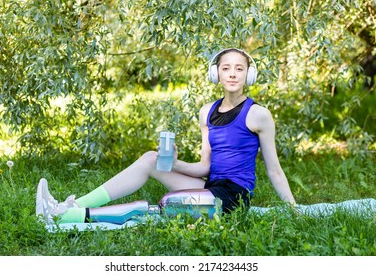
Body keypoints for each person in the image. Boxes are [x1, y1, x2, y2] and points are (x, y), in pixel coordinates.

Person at [36, 48, 296, 225]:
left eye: (239, 69)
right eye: (226, 68)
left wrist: (293, 210)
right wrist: (172, 163)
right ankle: (68, 206)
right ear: (215, 73)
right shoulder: (207, 112)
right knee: (150, 158)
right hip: (211, 187)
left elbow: (274, 170)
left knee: (167, 205)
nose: (232, 73)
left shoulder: (259, 115)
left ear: (249, 74)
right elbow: (206, 167)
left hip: (233, 197)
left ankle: (69, 218)